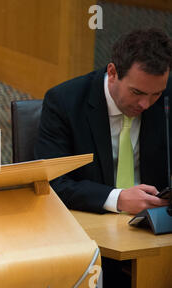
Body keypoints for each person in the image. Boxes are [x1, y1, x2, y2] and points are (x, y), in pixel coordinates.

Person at [35, 28, 172, 216]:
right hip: (93, 219)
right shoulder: (64, 102)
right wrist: (118, 199)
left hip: (157, 220)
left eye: (155, 94)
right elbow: (53, 183)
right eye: (137, 92)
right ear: (113, 72)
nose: (145, 104)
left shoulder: (167, 96)